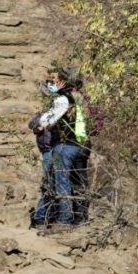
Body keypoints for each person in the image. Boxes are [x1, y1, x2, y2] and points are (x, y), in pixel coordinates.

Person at [30, 68, 84, 229]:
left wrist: (41, 124)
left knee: (61, 183)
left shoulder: (63, 100)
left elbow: (49, 121)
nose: (51, 84)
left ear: (62, 82)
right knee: (56, 182)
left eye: (54, 81)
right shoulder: (66, 99)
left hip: (65, 145)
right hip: (65, 145)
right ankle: (51, 217)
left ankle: (64, 219)